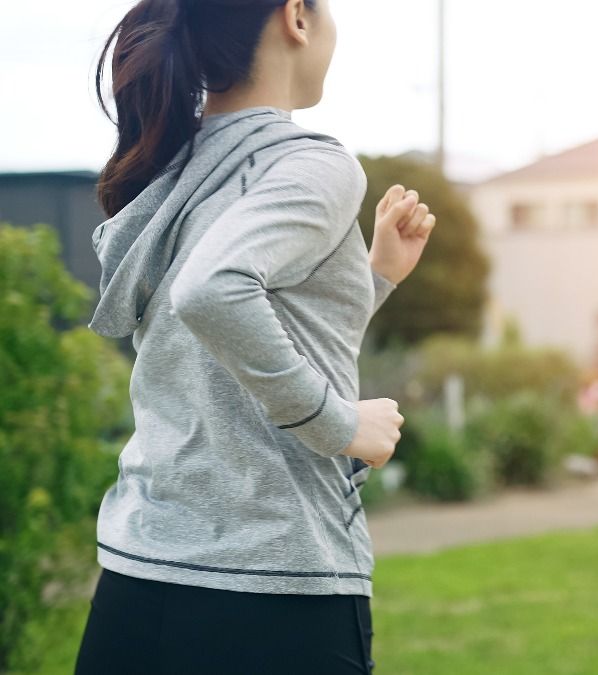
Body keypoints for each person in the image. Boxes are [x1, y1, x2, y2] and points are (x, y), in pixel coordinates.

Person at [74, 1, 435, 672]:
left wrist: (373, 277)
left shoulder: (175, 171)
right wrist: (339, 425)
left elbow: (227, 330)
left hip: (137, 585)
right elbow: (213, 292)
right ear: (295, 15)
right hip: (275, 589)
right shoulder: (313, 164)